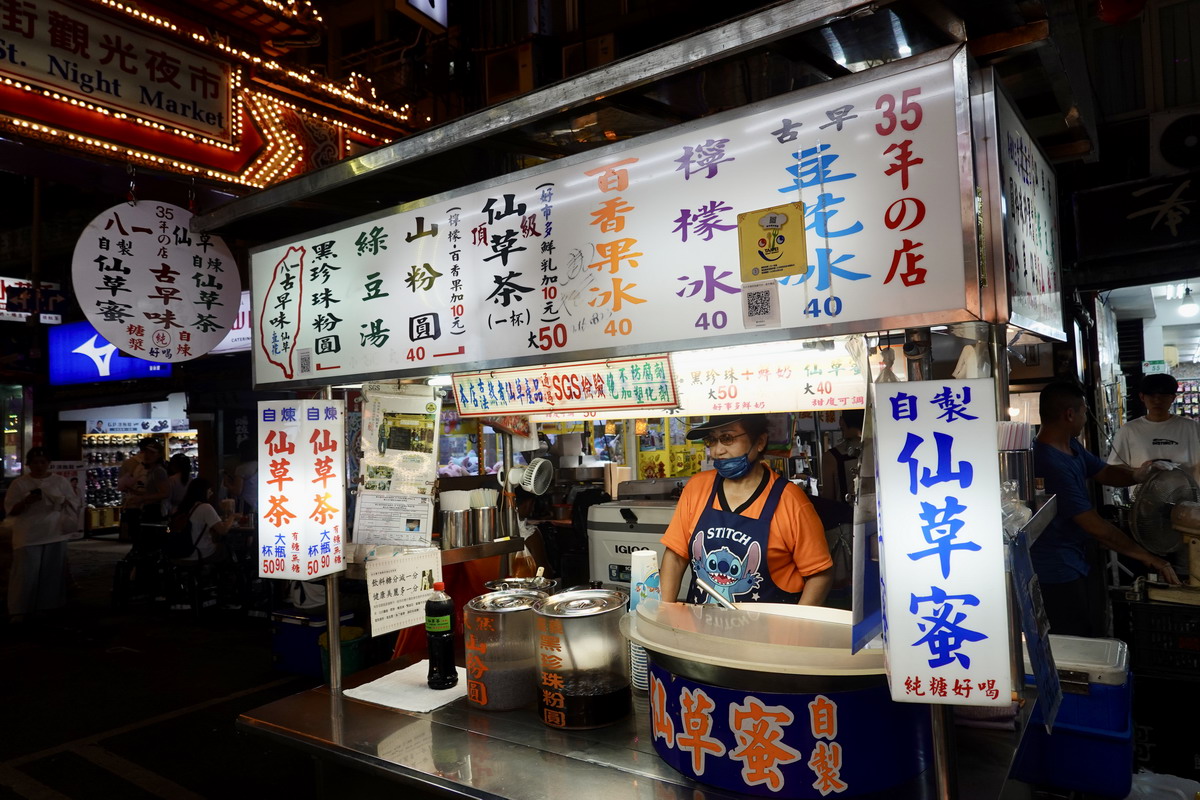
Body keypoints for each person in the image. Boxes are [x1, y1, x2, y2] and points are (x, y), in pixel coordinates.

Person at [1033, 381, 1181, 637]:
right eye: (1083, 412)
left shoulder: (1071, 446)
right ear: (1070, 414)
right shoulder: (1047, 462)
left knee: (1089, 627)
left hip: (1075, 558)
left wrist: (1139, 474)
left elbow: (1104, 471)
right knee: (1073, 637)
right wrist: (1149, 557)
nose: (1084, 418)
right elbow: (1096, 527)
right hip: (1055, 570)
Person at [660, 414, 833, 606]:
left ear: (759, 442)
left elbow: (819, 575)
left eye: (727, 438)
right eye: (711, 440)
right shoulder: (697, 487)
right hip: (702, 627)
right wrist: (663, 611)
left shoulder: (790, 500)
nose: (717, 451)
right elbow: (675, 557)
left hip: (769, 632)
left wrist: (795, 629)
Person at [5, 447, 79, 622]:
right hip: (28, 533)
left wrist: (58, 499)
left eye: (43, 462)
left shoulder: (60, 481)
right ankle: (20, 609)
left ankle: (48, 606)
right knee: (25, 573)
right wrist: (26, 501)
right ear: (29, 464)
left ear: (48, 464)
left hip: (55, 531)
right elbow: (10, 509)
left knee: (52, 572)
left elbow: (73, 501)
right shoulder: (19, 483)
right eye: (35, 463)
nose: (39, 466)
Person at [1107, 373, 1200, 475]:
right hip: (1144, 491)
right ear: (1142, 397)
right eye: (1151, 395)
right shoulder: (1128, 430)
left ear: (1173, 398)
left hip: (1188, 490)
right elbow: (1114, 466)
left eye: (1163, 396)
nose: (1157, 400)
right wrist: (1139, 472)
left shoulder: (1193, 428)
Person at [170, 478, 237, 563]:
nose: (211, 493)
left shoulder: (182, 507)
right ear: (202, 491)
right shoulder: (205, 507)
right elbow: (223, 530)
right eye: (209, 490)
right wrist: (232, 516)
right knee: (226, 548)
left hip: (178, 553)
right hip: (197, 553)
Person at [820, 409, 863, 505]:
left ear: (841, 422)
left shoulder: (831, 457)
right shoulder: (877, 449)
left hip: (847, 517)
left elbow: (828, 500)